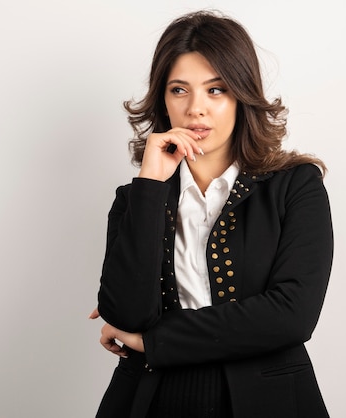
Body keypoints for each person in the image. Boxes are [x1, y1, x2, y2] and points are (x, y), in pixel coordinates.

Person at [90, 10, 333, 418]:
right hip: (150, 398)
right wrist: (149, 184)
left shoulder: (296, 186)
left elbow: (291, 317)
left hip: (268, 399)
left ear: (242, 95)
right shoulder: (135, 199)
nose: (196, 109)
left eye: (216, 90)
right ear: (162, 100)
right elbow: (127, 313)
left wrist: (155, 340)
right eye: (179, 90)